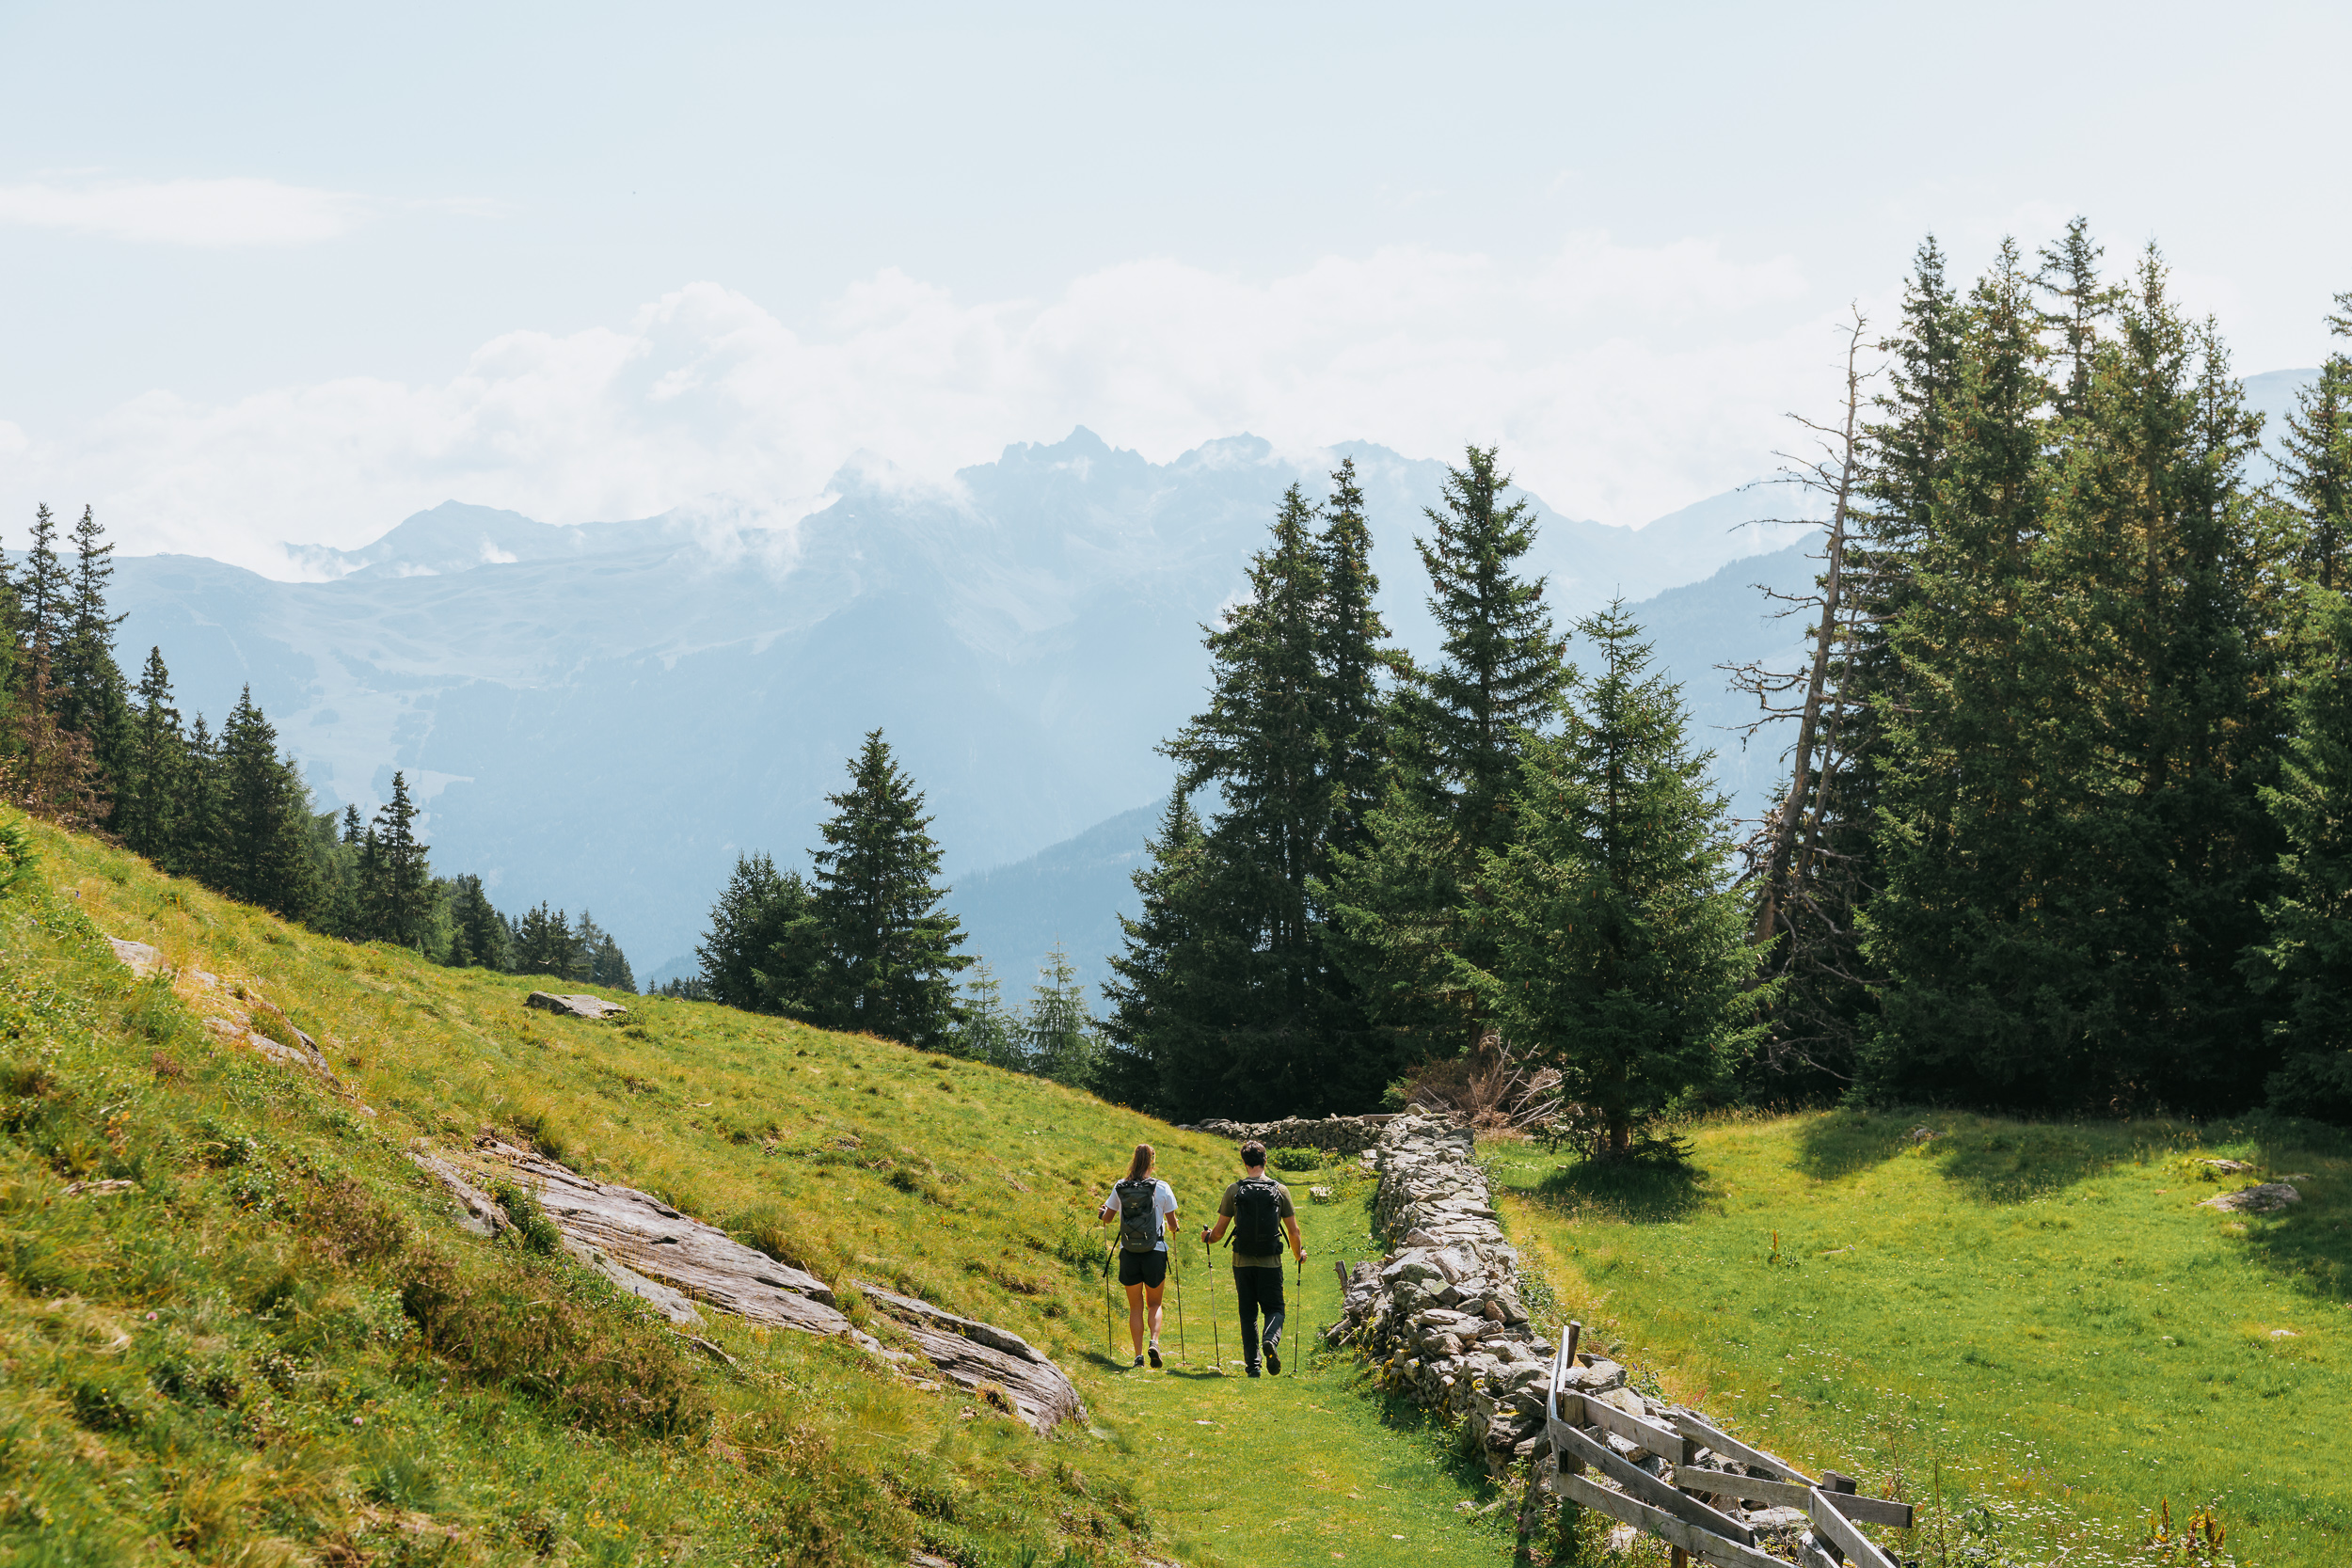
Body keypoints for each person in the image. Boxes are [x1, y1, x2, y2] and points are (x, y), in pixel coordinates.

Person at [1200, 1140, 1304, 1376]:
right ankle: (1270, 1340)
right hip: (1271, 1262)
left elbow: (1219, 1232)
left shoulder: (1234, 1190)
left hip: (1242, 1261)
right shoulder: (1280, 1190)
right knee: (1275, 1308)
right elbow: (1294, 1231)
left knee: (1248, 1314)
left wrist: (1208, 1238)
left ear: (1244, 1162)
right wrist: (1299, 1255)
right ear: (1265, 1160)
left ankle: (1253, 1367)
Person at [1098, 1142, 1180, 1368]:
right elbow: (1172, 1224)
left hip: (1129, 1252)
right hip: (1155, 1252)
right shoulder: (1162, 1187)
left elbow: (1107, 1218)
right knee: (1155, 1304)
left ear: (1134, 1160)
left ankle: (1138, 1357)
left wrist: (1102, 1213)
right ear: (1152, 1161)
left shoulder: (1120, 1186)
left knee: (1135, 1306)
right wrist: (1174, 1227)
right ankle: (1154, 1342)